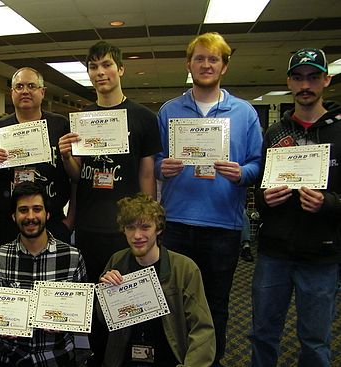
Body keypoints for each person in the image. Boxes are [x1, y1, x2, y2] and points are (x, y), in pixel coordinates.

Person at [154, 32, 263, 366]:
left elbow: (259, 164)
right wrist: (163, 167)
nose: (205, 65)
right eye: (199, 58)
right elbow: (154, 160)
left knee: (216, 306)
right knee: (171, 303)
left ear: (224, 66)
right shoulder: (170, 110)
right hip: (176, 223)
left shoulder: (244, 113)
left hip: (223, 226)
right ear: (189, 64)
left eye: (213, 59)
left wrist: (242, 173)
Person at [59, 40, 161, 366]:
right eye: (93, 67)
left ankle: (127, 359)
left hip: (126, 229)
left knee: (129, 300)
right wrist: (66, 157)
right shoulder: (82, 118)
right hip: (90, 226)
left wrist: (149, 224)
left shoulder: (144, 118)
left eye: (106, 65)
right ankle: (99, 355)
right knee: (94, 300)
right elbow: (79, 176)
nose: (100, 72)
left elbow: (147, 174)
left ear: (120, 69)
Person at [251, 48, 341, 367]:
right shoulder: (276, 133)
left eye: (314, 77)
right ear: (289, 82)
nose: (306, 85)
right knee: (262, 333)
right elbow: (261, 187)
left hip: (321, 254)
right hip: (274, 252)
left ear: (326, 81)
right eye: (299, 77)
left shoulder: (339, 131)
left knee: (315, 342)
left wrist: (327, 203)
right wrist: (264, 199)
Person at [99, 193, 216, 367]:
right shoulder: (117, 261)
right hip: (125, 359)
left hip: (169, 358)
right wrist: (106, 295)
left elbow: (203, 329)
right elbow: (103, 319)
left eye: (145, 227)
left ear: (159, 228)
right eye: (130, 227)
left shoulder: (184, 268)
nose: (137, 235)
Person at [0, 67, 74, 251]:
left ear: (42, 92)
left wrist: (69, 220)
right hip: (7, 223)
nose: (25, 91)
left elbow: (76, 177)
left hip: (52, 221)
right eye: (19, 86)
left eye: (31, 86)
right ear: (12, 92)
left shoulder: (60, 125)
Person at [0, 181, 86, 366]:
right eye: (23, 210)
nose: (31, 217)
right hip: (12, 358)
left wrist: (65, 321)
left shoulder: (72, 257)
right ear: (13, 216)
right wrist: (0, 324)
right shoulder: (0, 256)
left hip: (57, 358)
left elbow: (82, 312)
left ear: (47, 214)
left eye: (37, 209)